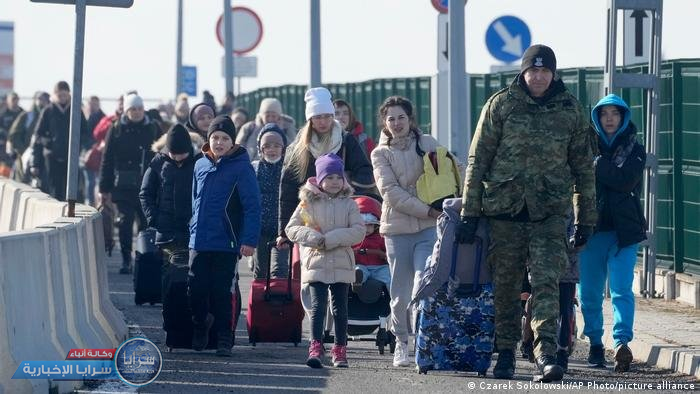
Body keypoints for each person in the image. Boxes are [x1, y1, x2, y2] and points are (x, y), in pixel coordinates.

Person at [457, 44, 597, 382]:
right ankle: (505, 353)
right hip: (505, 211)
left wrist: (585, 218)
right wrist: (469, 212)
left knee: (547, 282)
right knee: (506, 287)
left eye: (545, 71)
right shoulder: (501, 105)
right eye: (532, 71)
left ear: (553, 73)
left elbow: (583, 168)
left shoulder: (570, 110)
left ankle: (546, 353)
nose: (538, 77)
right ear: (522, 72)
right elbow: (478, 161)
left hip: (549, 213)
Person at [370, 95, 442, 367]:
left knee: (424, 283)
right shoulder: (379, 153)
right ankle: (401, 341)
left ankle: (425, 342)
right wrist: (428, 210)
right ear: (384, 123)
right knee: (400, 292)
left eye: (402, 117)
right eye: (391, 119)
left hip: (428, 228)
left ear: (411, 119)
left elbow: (450, 171)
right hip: (397, 230)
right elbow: (392, 193)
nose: (397, 123)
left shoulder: (428, 143)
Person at [579, 94, 646, 373]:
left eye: (614, 114)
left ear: (623, 118)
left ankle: (621, 343)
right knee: (590, 294)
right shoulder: (583, 147)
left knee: (621, 290)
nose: (609, 118)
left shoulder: (635, 148)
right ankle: (595, 342)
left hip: (623, 233)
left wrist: (597, 165)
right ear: (596, 117)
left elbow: (625, 180)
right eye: (603, 113)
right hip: (590, 231)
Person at [188, 115, 261, 357]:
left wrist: (249, 240)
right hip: (199, 240)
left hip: (227, 242)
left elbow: (252, 206)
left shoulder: (242, 167)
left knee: (223, 292)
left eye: (224, 138)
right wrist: (192, 228)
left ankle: (224, 338)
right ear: (209, 140)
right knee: (195, 289)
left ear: (232, 142)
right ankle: (199, 324)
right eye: (215, 137)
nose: (219, 142)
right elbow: (195, 201)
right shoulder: (200, 165)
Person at [285, 153, 365, 368]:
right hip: (316, 261)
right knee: (318, 306)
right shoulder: (307, 203)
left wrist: (331, 239)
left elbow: (358, 231)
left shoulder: (349, 204)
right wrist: (313, 238)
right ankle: (316, 346)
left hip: (341, 261)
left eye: (338, 178)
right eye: (329, 178)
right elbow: (292, 228)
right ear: (320, 179)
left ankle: (340, 349)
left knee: (340, 308)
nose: (335, 182)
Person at [277, 87, 375, 249]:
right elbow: (287, 190)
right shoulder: (299, 148)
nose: (323, 122)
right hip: (310, 221)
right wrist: (284, 232)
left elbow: (365, 172)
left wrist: (345, 187)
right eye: (317, 117)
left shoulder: (345, 141)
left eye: (327, 116)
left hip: (341, 218)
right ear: (310, 119)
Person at [99, 92, 160, 274]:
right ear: (126, 110)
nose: (137, 112)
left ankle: (143, 258)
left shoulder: (153, 128)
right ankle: (126, 259)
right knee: (125, 223)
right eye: (133, 109)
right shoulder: (116, 128)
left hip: (147, 184)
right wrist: (104, 187)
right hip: (123, 186)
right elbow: (107, 158)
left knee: (145, 224)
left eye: (140, 108)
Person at [139, 123, 199, 271]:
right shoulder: (158, 163)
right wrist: (155, 219)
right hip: (166, 233)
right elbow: (145, 193)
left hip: (193, 232)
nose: (178, 158)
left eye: (182, 154)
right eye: (174, 154)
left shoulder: (199, 163)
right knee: (167, 274)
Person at [30, 81, 89, 201]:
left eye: (65, 95)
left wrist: (79, 146)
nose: (62, 98)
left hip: (71, 157)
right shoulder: (48, 111)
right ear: (55, 95)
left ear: (69, 94)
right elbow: (37, 136)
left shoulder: (76, 110)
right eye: (59, 95)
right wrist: (35, 162)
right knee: (54, 189)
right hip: (52, 157)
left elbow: (85, 133)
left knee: (72, 190)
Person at [251, 123, 289, 280]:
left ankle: (279, 302)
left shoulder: (288, 169)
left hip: (282, 229)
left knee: (279, 270)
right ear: (260, 149)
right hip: (260, 229)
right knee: (260, 270)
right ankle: (260, 302)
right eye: (267, 146)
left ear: (283, 148)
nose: (272, 150)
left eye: (276, 146)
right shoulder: (255, 168)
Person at [7, 91, 49, 183]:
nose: (42, 102)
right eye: (40, 99)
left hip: (45, 159)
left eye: (45, 99)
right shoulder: (27, 116)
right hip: (24, 158)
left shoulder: (50, 117)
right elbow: (14, 135)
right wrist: (23, 151)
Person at [351, 195, 390, 291]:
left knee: (389, 275)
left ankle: (395, 297)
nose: (366, 229)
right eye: (363, 225)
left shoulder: (380, 238)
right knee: (358, 270)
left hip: (379, 267)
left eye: (370, 225)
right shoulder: (353, 238)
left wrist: (384, 255)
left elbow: (387, 252)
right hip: (361, 265)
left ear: (375, 226)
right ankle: (356, 281)